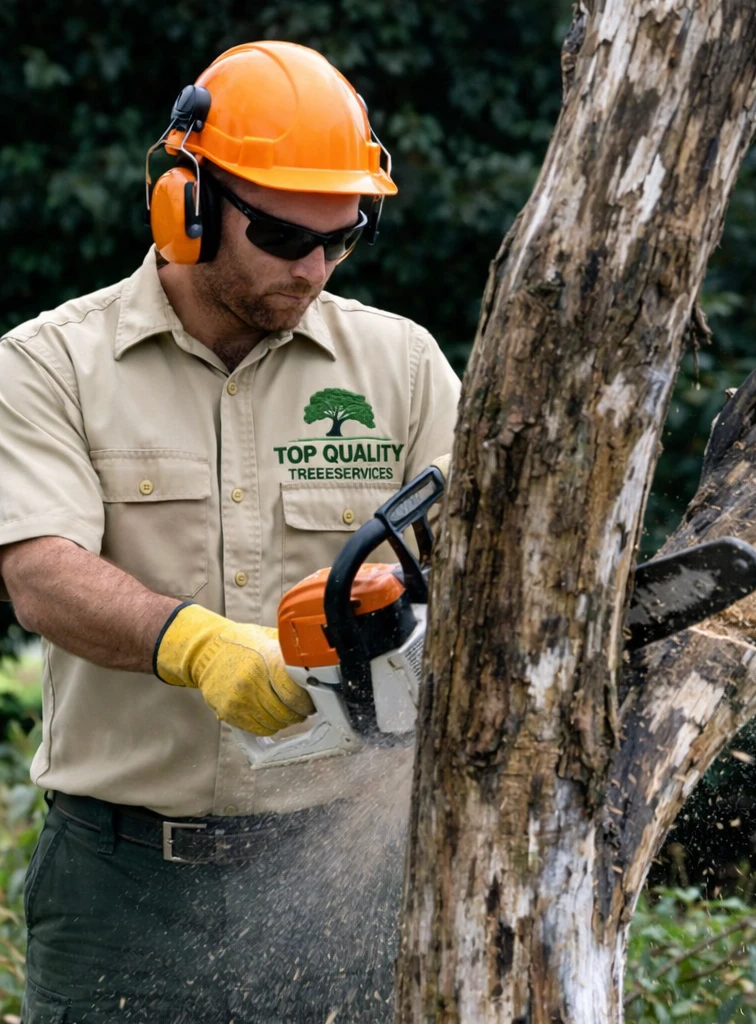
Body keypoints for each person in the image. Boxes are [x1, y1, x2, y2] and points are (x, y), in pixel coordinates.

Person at [0, 40, 460, 1023]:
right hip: (122, 883)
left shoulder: (403, 366)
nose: (313, 267)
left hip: (340, 868)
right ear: (188, 207)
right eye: (286, 236)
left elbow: (488, 562)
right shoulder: (51, 365)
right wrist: (197, 644)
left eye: (343, 238)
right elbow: (41, 572)